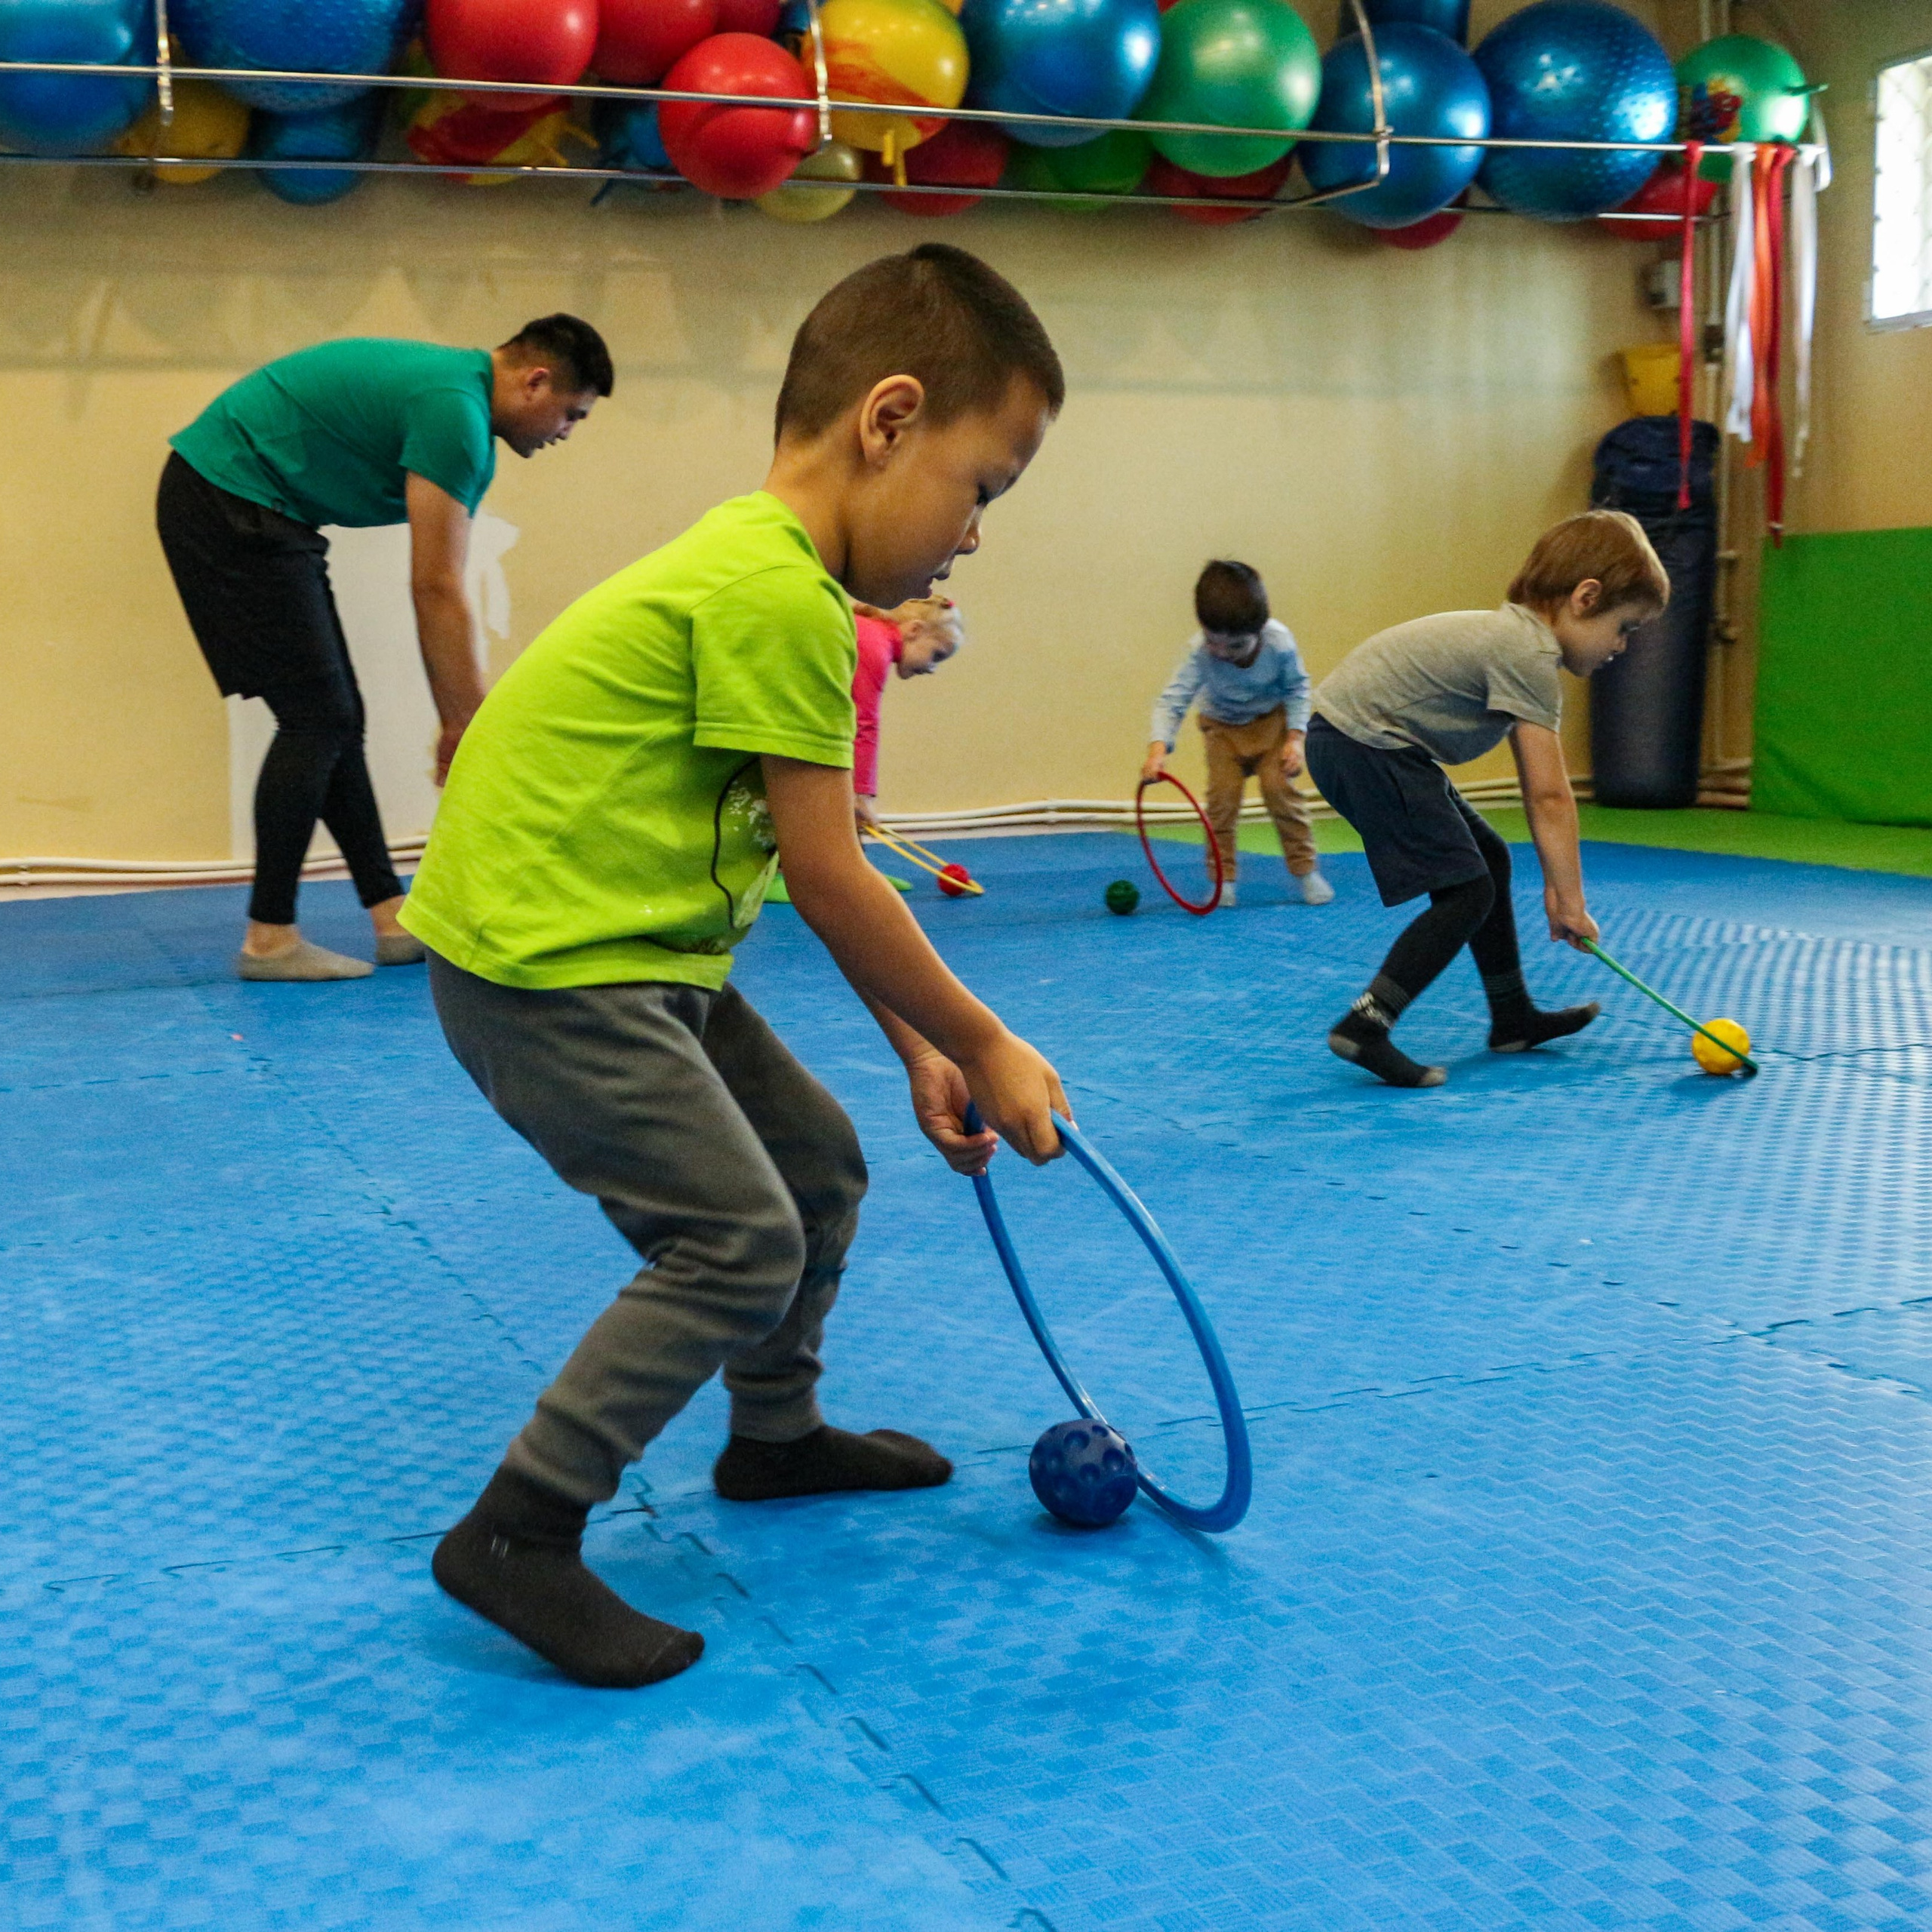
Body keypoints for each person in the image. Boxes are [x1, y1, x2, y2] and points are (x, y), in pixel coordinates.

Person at [398, 244, 1069, 1691]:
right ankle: (518, 1531)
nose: (973, 535)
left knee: (817, 1166)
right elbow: (831, 877)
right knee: (735, 1236)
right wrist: (988, 1036)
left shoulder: (765, 576)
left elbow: (810, 856)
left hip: (636, 951)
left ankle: (774, 1438)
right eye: (982, 487)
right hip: (550, 967)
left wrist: (914, 1045)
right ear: (888, 420)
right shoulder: (776, 597)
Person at [157, 315, 614, 982]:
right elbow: (436, 586)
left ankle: (390, 915)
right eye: (571, 415)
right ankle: (270, 939)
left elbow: (438, 586)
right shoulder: (454, 412)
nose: (567, 433)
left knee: (336, 717)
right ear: (535, 381)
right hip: (228, 498)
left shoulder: (457, 401)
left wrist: (461, 719)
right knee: (320, 718)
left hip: (256, 507)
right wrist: (463, 723)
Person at [1305, 509, 1669, 1090]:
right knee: (1467, 887)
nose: (1622, 646)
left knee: (1489, 860)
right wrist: (1570, 902)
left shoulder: (1515, 639)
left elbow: (1540, 794)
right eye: (1624, 626)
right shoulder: (1528, 653)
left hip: (1364, 740)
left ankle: (1511, 1018)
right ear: (1585, 597)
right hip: (1363, 744)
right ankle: (1366, 1024)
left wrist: (1556, 889)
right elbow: (1548, 794)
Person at [1141, 561, 1332, 908]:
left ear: (1258, 632)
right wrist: (1158, 749)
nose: (1222, 654)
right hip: (1222, 731)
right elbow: (1173, 700)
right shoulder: (1200, 652)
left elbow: (1298, 689)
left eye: (1235, 647)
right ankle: (1222, 882)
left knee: (1280, 792)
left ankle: (1306, 871)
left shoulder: (1279, 644)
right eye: (1214, 642)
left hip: (1271, 725)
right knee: (1222, 803)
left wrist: (1295, 738)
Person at [851, 594, 965, 830]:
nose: (932, 668)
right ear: (915, 630)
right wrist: (861, 795)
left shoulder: (869, 633)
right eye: (937, 655)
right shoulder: (875, 645)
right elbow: (864, 722)